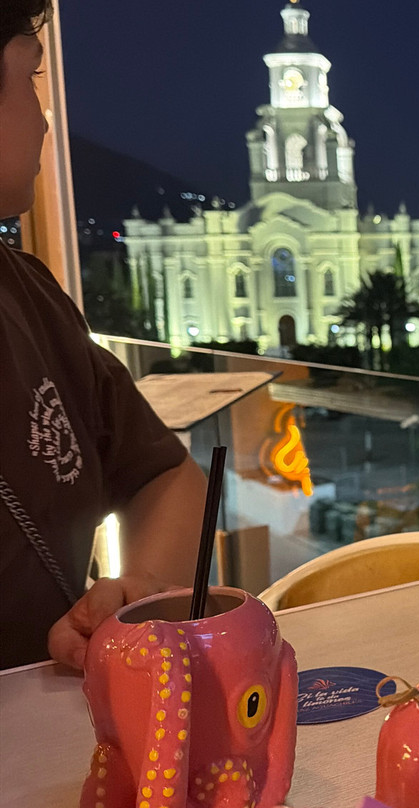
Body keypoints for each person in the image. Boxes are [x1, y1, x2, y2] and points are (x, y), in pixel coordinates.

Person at [0, 0, 207, 671]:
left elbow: (167, 476)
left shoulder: (30, 297)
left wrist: (139, 593)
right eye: (32, 77)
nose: (45, 117)